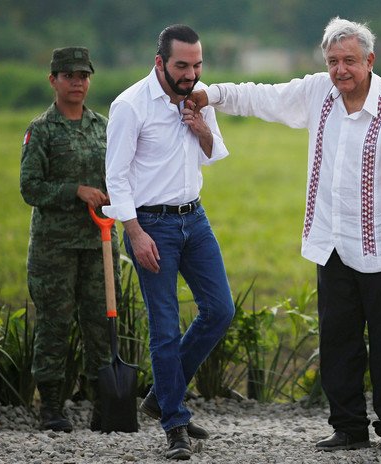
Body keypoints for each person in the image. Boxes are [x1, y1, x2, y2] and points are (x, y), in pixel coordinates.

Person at [187, 17, 381, 455]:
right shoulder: (319, 92)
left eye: (350, 61)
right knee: (338, 340)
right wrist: (213, 94)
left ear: (370, 61)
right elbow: (265, 97)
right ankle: (348, 427)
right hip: (332, 241)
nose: (341, 70)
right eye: (334, 61)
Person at [102, 24, 235, 461]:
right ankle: (175, 424)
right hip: (151, 226)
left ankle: (161, 394)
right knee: (164, 327)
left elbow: (214, 153)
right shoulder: (130, 105)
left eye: (197, 65)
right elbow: (116, 176)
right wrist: (134, 232)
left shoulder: (199, 95)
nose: (191, 73)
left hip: (194, 218)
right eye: (182, 65)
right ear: (159, 62)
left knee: (220, 310)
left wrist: (200, 127)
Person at [20, 46, 121, 432]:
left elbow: (120, 173)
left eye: (83, 75)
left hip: (99, 245)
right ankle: (51, 408)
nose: (77, 82)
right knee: (54, 326)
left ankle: (104, 408)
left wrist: (116, 195)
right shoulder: (41, 129)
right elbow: (30, 188)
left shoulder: (103, 127)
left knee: (100, 324)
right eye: (68, 75)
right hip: (54, 247)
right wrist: (75, 190)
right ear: (53, 81)